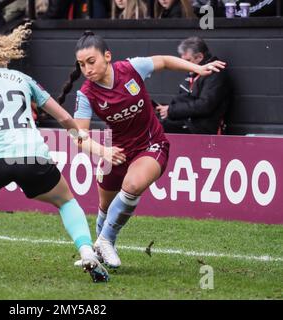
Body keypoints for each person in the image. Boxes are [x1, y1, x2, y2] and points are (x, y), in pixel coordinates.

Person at [0, 24, 109, 283]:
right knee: (66, 201)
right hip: (33, 155)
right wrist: (79, 135)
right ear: (4, 54)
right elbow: (64, 116)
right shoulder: (23, 80)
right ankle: (87, 251)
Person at [57, 31, 225, 268]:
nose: (87, 69)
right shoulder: (86, 94)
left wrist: (197, 69)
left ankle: (106, 239)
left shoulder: (132, 68)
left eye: (91, 62)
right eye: (82, 65)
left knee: (133, 185)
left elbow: (165, 61)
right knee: (105, 206)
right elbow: (78, 136)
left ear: (107, 56)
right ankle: (102, 250)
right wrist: (102, 151)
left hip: (151, 144)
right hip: (115, 151)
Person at [156, 37, 232, 134]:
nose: (184, 65)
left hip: (202, 128)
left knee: (157, 128)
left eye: (187, 60)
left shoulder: (215, 73)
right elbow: (184, 99)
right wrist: (166, 108)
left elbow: (205, 105)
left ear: (199, 57)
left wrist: (171, 110)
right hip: (187, 122)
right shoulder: (194, 72)